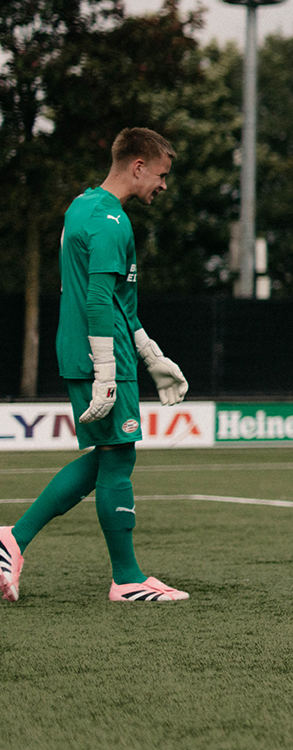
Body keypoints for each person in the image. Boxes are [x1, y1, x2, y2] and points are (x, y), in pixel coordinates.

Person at [1, 128, 193, 603]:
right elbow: (99, 300)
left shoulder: (83, 206)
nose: (164, 186)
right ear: (138, 166)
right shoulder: (110, 221)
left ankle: (13, 540)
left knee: (112, 453)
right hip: (100, 355)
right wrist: (107, 372)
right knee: (120, 454)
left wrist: (153, 356)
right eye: (161, 175)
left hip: (89, 351)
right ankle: (125, 579)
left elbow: (120, 301)